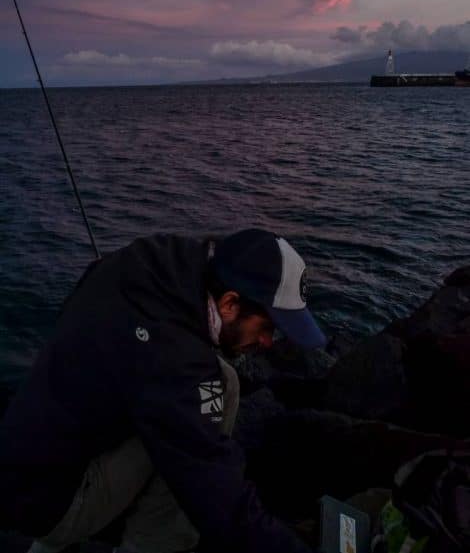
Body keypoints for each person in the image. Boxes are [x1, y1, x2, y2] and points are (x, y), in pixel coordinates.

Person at [0, 228, 326, 553]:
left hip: (20, 462)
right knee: (216, 400)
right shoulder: (177, 361)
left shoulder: (156, 257)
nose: (268, 342)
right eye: (268, 326)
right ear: (229, 303)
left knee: (212, 384)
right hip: (52, 508)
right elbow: (216, 491)